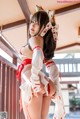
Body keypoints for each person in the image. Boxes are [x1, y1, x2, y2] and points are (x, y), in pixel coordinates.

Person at [17, 9, 65, 119]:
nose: (32, 25)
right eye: (32, 22)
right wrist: (55, 86)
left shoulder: (34, 39)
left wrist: (34, 80)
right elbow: (52, 66)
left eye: (37, 23)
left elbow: (37, 54)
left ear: (44, 27)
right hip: (43, 82)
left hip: (33, 80)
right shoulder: (44, 43)